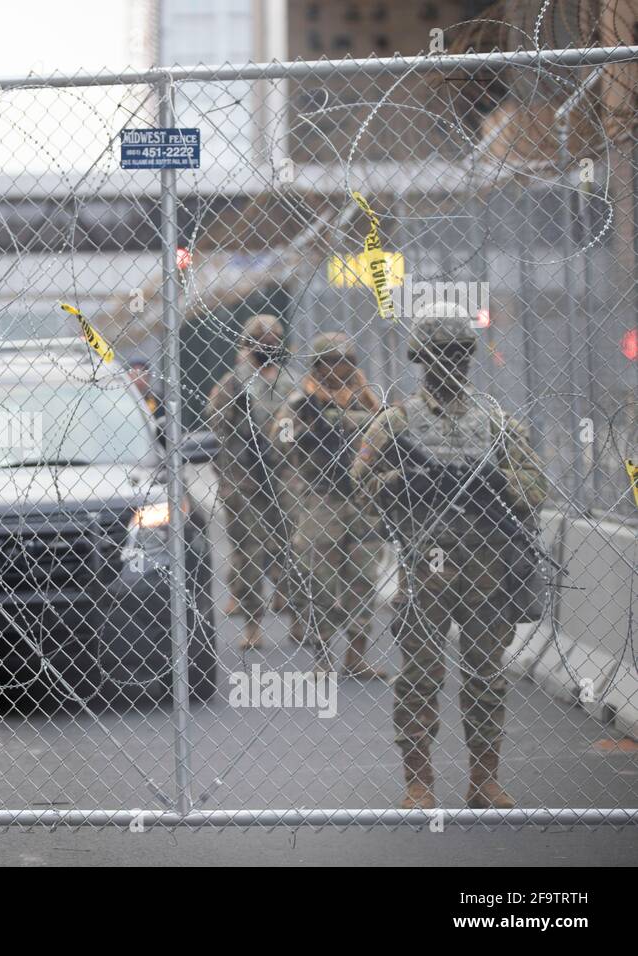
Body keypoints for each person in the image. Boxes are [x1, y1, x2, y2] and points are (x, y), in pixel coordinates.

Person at [352, 303, 548, 810]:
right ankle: (418, 781)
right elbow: (359, 480)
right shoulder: (396, 422)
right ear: (421, 360)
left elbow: (534, 488)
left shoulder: (495, 422)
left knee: (486, 676)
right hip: (428, 564)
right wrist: (406, 481)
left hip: (487, 565)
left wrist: (495, 483)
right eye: (440, 355)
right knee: (419, 676)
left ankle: (484, 780)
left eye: (458, 354)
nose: (450, 364)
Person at [269, 332, 387, 678]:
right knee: (319, 579)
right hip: (322, 499)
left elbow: (388, 435)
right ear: (318, 367)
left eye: (346, 361)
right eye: (333, 362)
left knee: (363, 577)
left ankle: (356, 654)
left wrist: (353, 425)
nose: (341, 369)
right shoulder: (302, 402)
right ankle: (322, 657)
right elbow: (280, 440)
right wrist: (306, 436)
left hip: (364, 500)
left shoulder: (367, 401)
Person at [205, 314, 299, 650]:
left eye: (272, 341)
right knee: (249, 553)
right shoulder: (234, 383)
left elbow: (299, 431)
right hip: (244, 480)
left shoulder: (291, 384)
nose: (267, 346)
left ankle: (298, 617)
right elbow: (216, 425)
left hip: (284, 477)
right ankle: (253, 625)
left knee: (291, 550)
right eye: (262, 341)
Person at [128, 356, 166, 445]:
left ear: (148, 376)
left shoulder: (158, 399)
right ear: (128, 376)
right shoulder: (123, 400)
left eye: (142, 374)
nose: (138, 378)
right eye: (134, 374)